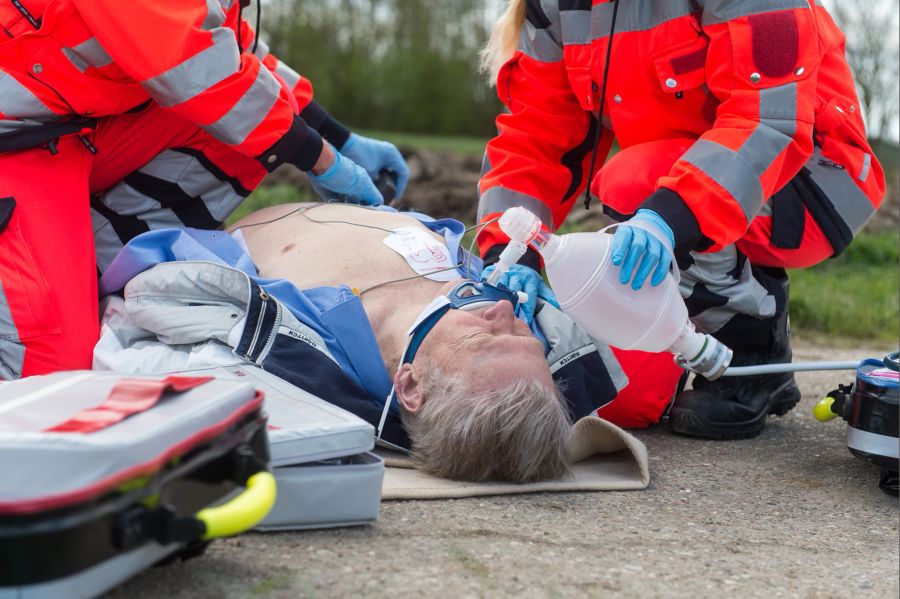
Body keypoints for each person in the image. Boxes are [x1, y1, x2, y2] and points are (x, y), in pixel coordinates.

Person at [476, 0, 886, 439]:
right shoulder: (556, 9)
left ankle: (751, 348)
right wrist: (510, 252)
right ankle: (693, 337)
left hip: (808, 180)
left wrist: (666, 218)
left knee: (630, 181)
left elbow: (768, 121)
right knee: (622, 400)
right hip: (674, 188)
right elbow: (535, 139)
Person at [0, 0, 408, 379]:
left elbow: (231, 48)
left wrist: (337, 135)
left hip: (70, 125)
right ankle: (37, 285)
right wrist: (323, 158)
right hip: (14, 136)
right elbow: (190, 63)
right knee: (49, 369)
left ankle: (88, 271)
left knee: (260, 120)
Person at [94, 202, 632, 483]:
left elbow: (155, 298)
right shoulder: (508, 314)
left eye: (487, 339)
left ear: (411, 387)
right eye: (526, 336)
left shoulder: (314, 340)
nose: (506, 311)